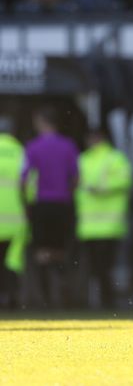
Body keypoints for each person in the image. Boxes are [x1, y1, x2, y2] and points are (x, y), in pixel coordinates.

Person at [20, 106, 79, 308]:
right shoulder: (68, 146)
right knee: (61, 250)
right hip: (62, 204)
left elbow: (24, 179)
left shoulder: (33, 147)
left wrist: (26, 203)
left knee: (41, 253)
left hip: (42, 205)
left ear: (41, 121)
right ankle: (63, 293)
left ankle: (46, 300)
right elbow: (76, 178)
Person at [75, 128, 133, 309]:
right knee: (97, 268)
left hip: (107, 225)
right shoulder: (84, 159)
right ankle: (102, 302)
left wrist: (101, 189)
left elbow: (126, 181)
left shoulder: (114, 158)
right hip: (92, 225)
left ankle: (107, 302)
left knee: (103, 267)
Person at [0, 117, 25, 309]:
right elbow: (30, 184)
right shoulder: (20, 151)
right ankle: (12, 298)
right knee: (12, 261)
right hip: (15, 218)